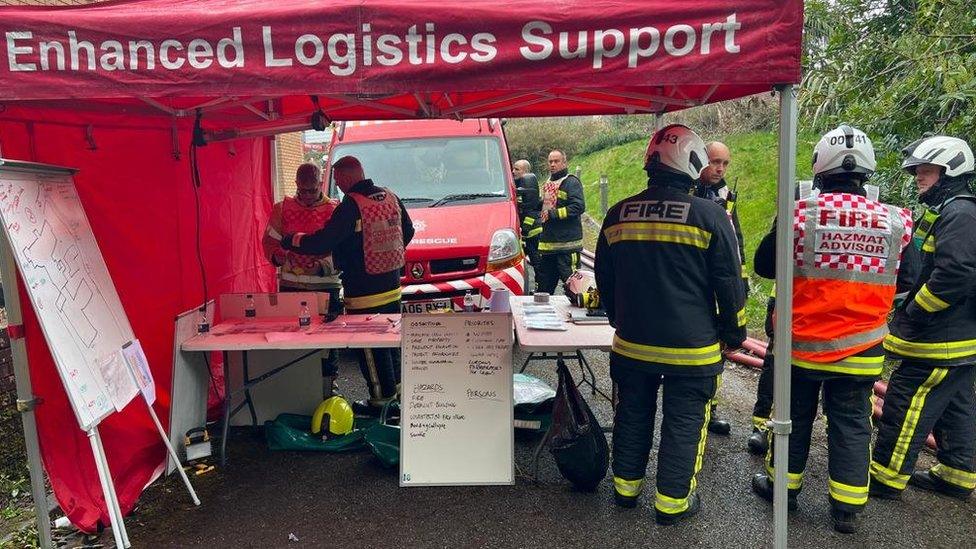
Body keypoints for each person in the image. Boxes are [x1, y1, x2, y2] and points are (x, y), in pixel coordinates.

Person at [750, 125, 912, 534]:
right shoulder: (895, 220)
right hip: (863, 347)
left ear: (820, 170)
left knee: (796, 417)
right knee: (853, 423)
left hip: (803, 345)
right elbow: (910, 277)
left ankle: (782, 488)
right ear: (868, 171)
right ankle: (847, 510)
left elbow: (765, 265)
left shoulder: (800, 212)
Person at [595, 124, 746, 525]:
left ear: (651, 162)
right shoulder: (711, 216)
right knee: (683, 422)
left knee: (632, 414)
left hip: (632, 344)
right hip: (691, 349)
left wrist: (619, 320)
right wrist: (734, 335)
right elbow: (730, 285)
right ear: (694, 164)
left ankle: (625, 490)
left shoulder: (617, 215)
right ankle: (672, 503)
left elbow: (605, 282)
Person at [870, 135, 976, 502]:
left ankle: (886, 476)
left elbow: (955, 274)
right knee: (956, 405)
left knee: (906, 402)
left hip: (939, 341)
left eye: (926, 171)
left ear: (950, 172)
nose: (918, 177)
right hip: (958, 340)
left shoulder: (960, 213)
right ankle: (956, 474)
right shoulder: (953, 210)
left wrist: (915, 311)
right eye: (917, 171)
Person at [281, 156, 415, 415]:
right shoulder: (390, 197)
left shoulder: (351, 205)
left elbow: (323, 242)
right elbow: (407, 231)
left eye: (339, 180)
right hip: (392, 286)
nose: (338, 186)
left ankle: (381, 403)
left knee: (370, 350)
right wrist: (386, 257)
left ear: (345, 177)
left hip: (364, 293)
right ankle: (397, 396)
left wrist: (292, 240)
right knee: (390, 343)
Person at [263, 162, 343, 398]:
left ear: (320, 184)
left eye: (312, 190)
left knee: (328, 343)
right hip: (292, 286)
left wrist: (322, 266)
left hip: (325, 286)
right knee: (293, 340)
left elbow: (342, 249)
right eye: (302, 190)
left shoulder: (334, 210)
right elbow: (269, 241)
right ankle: (297, 388)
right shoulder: (282, 209)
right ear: (297, 184)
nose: (307, 196)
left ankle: (329, 388)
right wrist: (279, 256)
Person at [694, 141, 746, 436]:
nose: (720, 168)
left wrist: (742, 281)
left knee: (718, 352)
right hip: (694, 283)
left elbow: (735, 238)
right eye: (715, 162)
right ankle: (694, 408)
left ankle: (710, 410)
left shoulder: (727, 193)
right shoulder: (687, 190)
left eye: (725, 163)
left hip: (721, 281)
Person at [536, 150, 585, 294]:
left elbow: (579, 207)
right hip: (548, 246)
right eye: (550, 161)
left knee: (574, 287)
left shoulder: (571, 182)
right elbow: (546, 206)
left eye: (556, 161)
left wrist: (554, 214)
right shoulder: (548, 183)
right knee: (544, 289)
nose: (552, 164)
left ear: (564, 163)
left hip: (567, 246)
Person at [513, 159, 542, 275]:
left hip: (532, 232)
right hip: (522, 233)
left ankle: (541, 288)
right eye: (513, 168)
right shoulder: (516, 186)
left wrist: (525, 228)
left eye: (517, 169)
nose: (513, 171)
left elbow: (531, 210)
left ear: (526, 172)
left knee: (537, 263)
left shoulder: (529, 187)